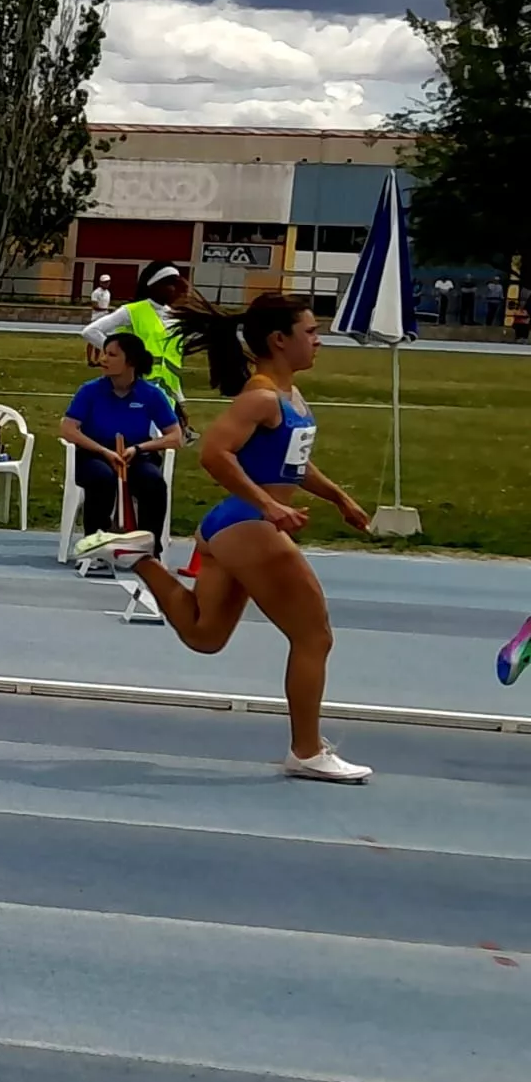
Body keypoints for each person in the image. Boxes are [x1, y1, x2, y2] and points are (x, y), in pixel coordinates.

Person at [75, 293, 375, 783]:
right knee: (313, 636)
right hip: (249, 526)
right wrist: (269, 506)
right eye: (311, 332)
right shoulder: (261, 398)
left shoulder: (288, 397)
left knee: (204, 634)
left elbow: (291, 465)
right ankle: (306, 750)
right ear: (279, 340)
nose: (319, 341)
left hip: (230, 526)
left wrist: (338, 498)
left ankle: (139, 556)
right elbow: (214, 454)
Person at [60, 332, 182, 550]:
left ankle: (148, 548)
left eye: (112, 355)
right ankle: (96, 545)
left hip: (135, 456)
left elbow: (175, 436)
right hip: (95, 456)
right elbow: (68, 429)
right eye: (104, 353)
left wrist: (138, 448)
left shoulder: (151, 394)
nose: (103, 359)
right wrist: (103, 451)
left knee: (153, 482)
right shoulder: (89, 391)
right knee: (102, 478)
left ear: (131, 361)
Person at [84, 259, 195, 437]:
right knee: (135, 441)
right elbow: (91, 331)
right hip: (136, 388)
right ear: (154, 286)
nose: (174, 289)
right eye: (169, 284)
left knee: (161, 449)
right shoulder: (132, 311)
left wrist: (180, 400)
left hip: (165, 395)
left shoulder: (174, 317)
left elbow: (171, 364)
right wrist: (122, 358)